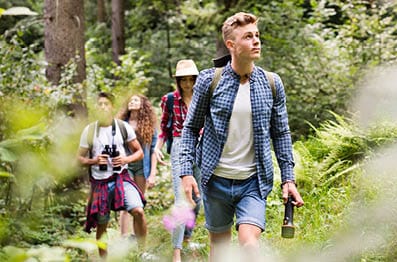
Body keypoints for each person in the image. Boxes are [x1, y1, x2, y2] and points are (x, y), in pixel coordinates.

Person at [178, 12, 304, 261]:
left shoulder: (271, 83)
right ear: (231, 45)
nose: (256, 41)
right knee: (220, 248)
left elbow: (281, 133)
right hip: (215, 180)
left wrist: (288, 179)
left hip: (253, 182)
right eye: (248, 37)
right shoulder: (209, 81)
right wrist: (186, 172)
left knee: (249, 246)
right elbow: (191, 128)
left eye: (257, 35)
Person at [77, 92, 148, 258]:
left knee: (138, 211)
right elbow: (78, 158)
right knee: (102, 225)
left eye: (106, 104)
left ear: (112, 107)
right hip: (100, 183)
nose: (102, 107)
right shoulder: (89, 131)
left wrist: (125, 159)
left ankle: (143, 253)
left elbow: (139, 153)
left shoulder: (123, 127)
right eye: (99, 104)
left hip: (121, 178)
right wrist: (94, 161)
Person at [155, 59, 203, 262]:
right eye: (183, 80)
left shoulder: (202, 97)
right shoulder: (170, 100)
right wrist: (157, 149)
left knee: (197, 198)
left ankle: (186, 237)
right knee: (181, 199)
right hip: (179, 145)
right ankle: (176, 252)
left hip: (201, 146)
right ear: (178, 81)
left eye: (190, 79)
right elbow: (164, 126)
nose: (187, 84)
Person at [117, 94, 159, 238]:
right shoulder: (121, 123)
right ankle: (124, 237)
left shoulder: (149, 125)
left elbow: (154, 150)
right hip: (125, 166)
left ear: (142, 104)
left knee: (138, 201)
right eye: (130, 100)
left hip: (142, 166)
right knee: (125, 202)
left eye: (135, 100)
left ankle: (136, 236)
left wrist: (153, 173)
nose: (132, 102)